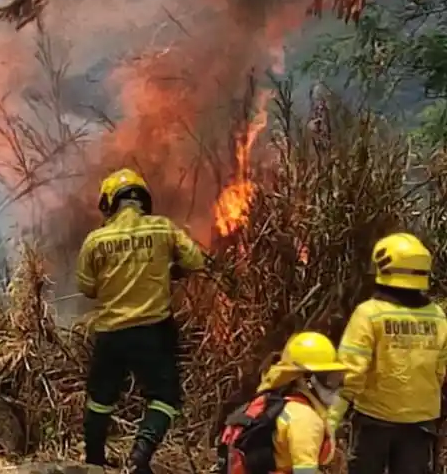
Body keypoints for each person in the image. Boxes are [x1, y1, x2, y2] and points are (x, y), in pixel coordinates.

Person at [76, 168, 207, 474]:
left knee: (100, 398)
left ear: (109, 203)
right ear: (143, 200)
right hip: (153, 331)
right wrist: (169, 269)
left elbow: (87, 288)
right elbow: (196, 261)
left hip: (110, 333)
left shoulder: (95, 240)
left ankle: (94, 461)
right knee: (164, 397)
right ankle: (139, 459)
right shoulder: (163, 229)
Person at [332, 232, 447, 474]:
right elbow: (440, 371)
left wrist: (332, 417)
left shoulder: (369, 313)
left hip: (374, 421)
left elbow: (351, 372)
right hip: (420, 424)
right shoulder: (437, 315)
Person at [217, 332, 347, 474]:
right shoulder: (305, 418)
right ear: (306, 379)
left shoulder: (282, 406)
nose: (336, 387)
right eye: (329, 379)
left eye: (336, 378)